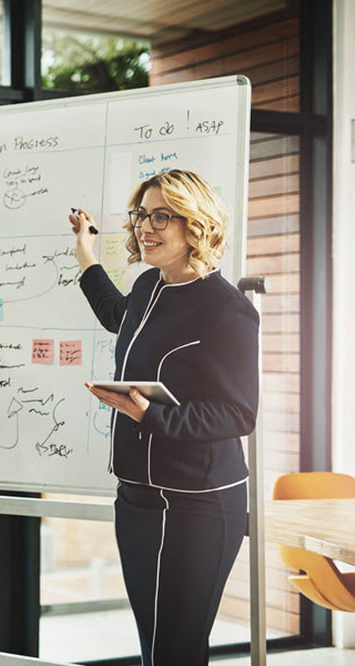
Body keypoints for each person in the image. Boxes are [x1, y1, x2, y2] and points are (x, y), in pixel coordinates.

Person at [70, 169, 259, 666]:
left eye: (160, 216)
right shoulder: (149, 285)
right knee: (156, 647)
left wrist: (151, 416)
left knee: (175, 650)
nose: (144, 228)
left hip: (197, 505)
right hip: (136, 496)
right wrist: (86, 255)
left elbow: (238, 413)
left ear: (195, 225)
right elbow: (118, 313)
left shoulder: (228, 310)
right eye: (140, 215)